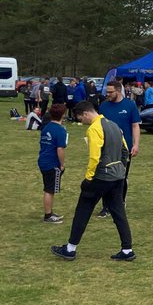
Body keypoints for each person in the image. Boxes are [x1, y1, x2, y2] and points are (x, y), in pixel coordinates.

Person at [50, 101, 135, 262]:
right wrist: (121, 169)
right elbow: (125, 150)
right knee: (118, 212)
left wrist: (88, 178)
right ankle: (127, 249)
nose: (81, 122)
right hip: (118, 176)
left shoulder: (95, 128)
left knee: (83, 210)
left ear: (86, 113)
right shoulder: (114, 125)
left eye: (80, 118)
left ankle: (70, 248)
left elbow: (95, 156)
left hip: (101, 177)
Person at [96, 80, 141, 218]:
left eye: (110, 92)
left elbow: (135, 125)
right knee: (105, 176)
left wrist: (136, 144)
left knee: (121, 177)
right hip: (105, 147)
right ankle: (106, 207)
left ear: (118, 90)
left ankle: (120, 202)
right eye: (107, 92)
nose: (108, 94)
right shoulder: (103, 106)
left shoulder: (129, 105)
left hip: (124, 148)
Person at [38, 104, 68, 224]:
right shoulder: (60, 130)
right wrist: (62, 164)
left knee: (48, 188)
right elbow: (60, 149)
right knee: (49, 190)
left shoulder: (46, 127)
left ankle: (49, 212)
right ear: (63, 115)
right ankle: (48, 215)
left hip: (43, 160)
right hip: (52, 163)